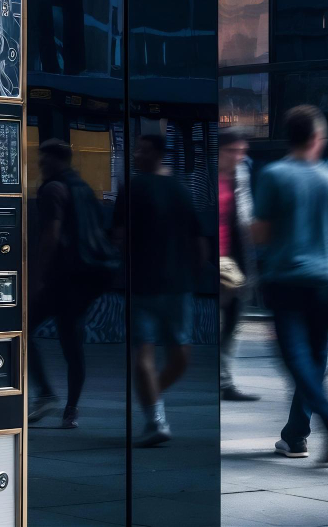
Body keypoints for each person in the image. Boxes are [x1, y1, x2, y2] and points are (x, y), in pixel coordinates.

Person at [252, 105, 328, 463]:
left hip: (285, 280)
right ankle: (296, 435)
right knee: (312, 360)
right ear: (316, 138)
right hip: (323, 283)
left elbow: (261, 234)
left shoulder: (274, 175)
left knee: (294, 358)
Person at [114, 134, 205, 447]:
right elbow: (199, 240)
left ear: (155, 153)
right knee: (176, 356)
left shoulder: (133, 189)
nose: (136, 153)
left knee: (147, 355)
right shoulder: (182, 191)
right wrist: (195, 274)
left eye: (140, 148)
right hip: (178, 286)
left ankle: (152, 407)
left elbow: (119, 236)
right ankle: (155, 416)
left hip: (145, 284)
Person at [27, 139, 115, 428]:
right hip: (88, 277)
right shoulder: (84, 188)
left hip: (62, 276)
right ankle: (71, 410)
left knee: (22, 330)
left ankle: (45, 394)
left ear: (56, 160)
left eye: (43, 160)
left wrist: (37, 276)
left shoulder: (53, 189)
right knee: (72, 341)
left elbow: (51, 235)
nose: (41, 165)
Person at [218, 127, 261, 402]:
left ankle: (224, 381)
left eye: (242, 152)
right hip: (212, 257)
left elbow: (245, 218)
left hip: (230, 260)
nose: (239, 157)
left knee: (231, 320)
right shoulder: (205, 175)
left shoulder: (241, 175)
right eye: (233, 151)